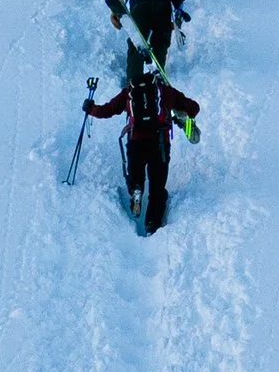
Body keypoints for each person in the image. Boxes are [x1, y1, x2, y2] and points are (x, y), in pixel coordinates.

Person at [84, 44, 200, 233]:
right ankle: (152, 225)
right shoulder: (164, 90)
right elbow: (194, 108)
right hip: (160, 143)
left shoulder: (129, 92)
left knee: (136, 173)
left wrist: (90, 108)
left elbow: (107, 110)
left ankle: (136, 190)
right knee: (157, 187)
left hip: (136, 141)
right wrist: (179, 115)